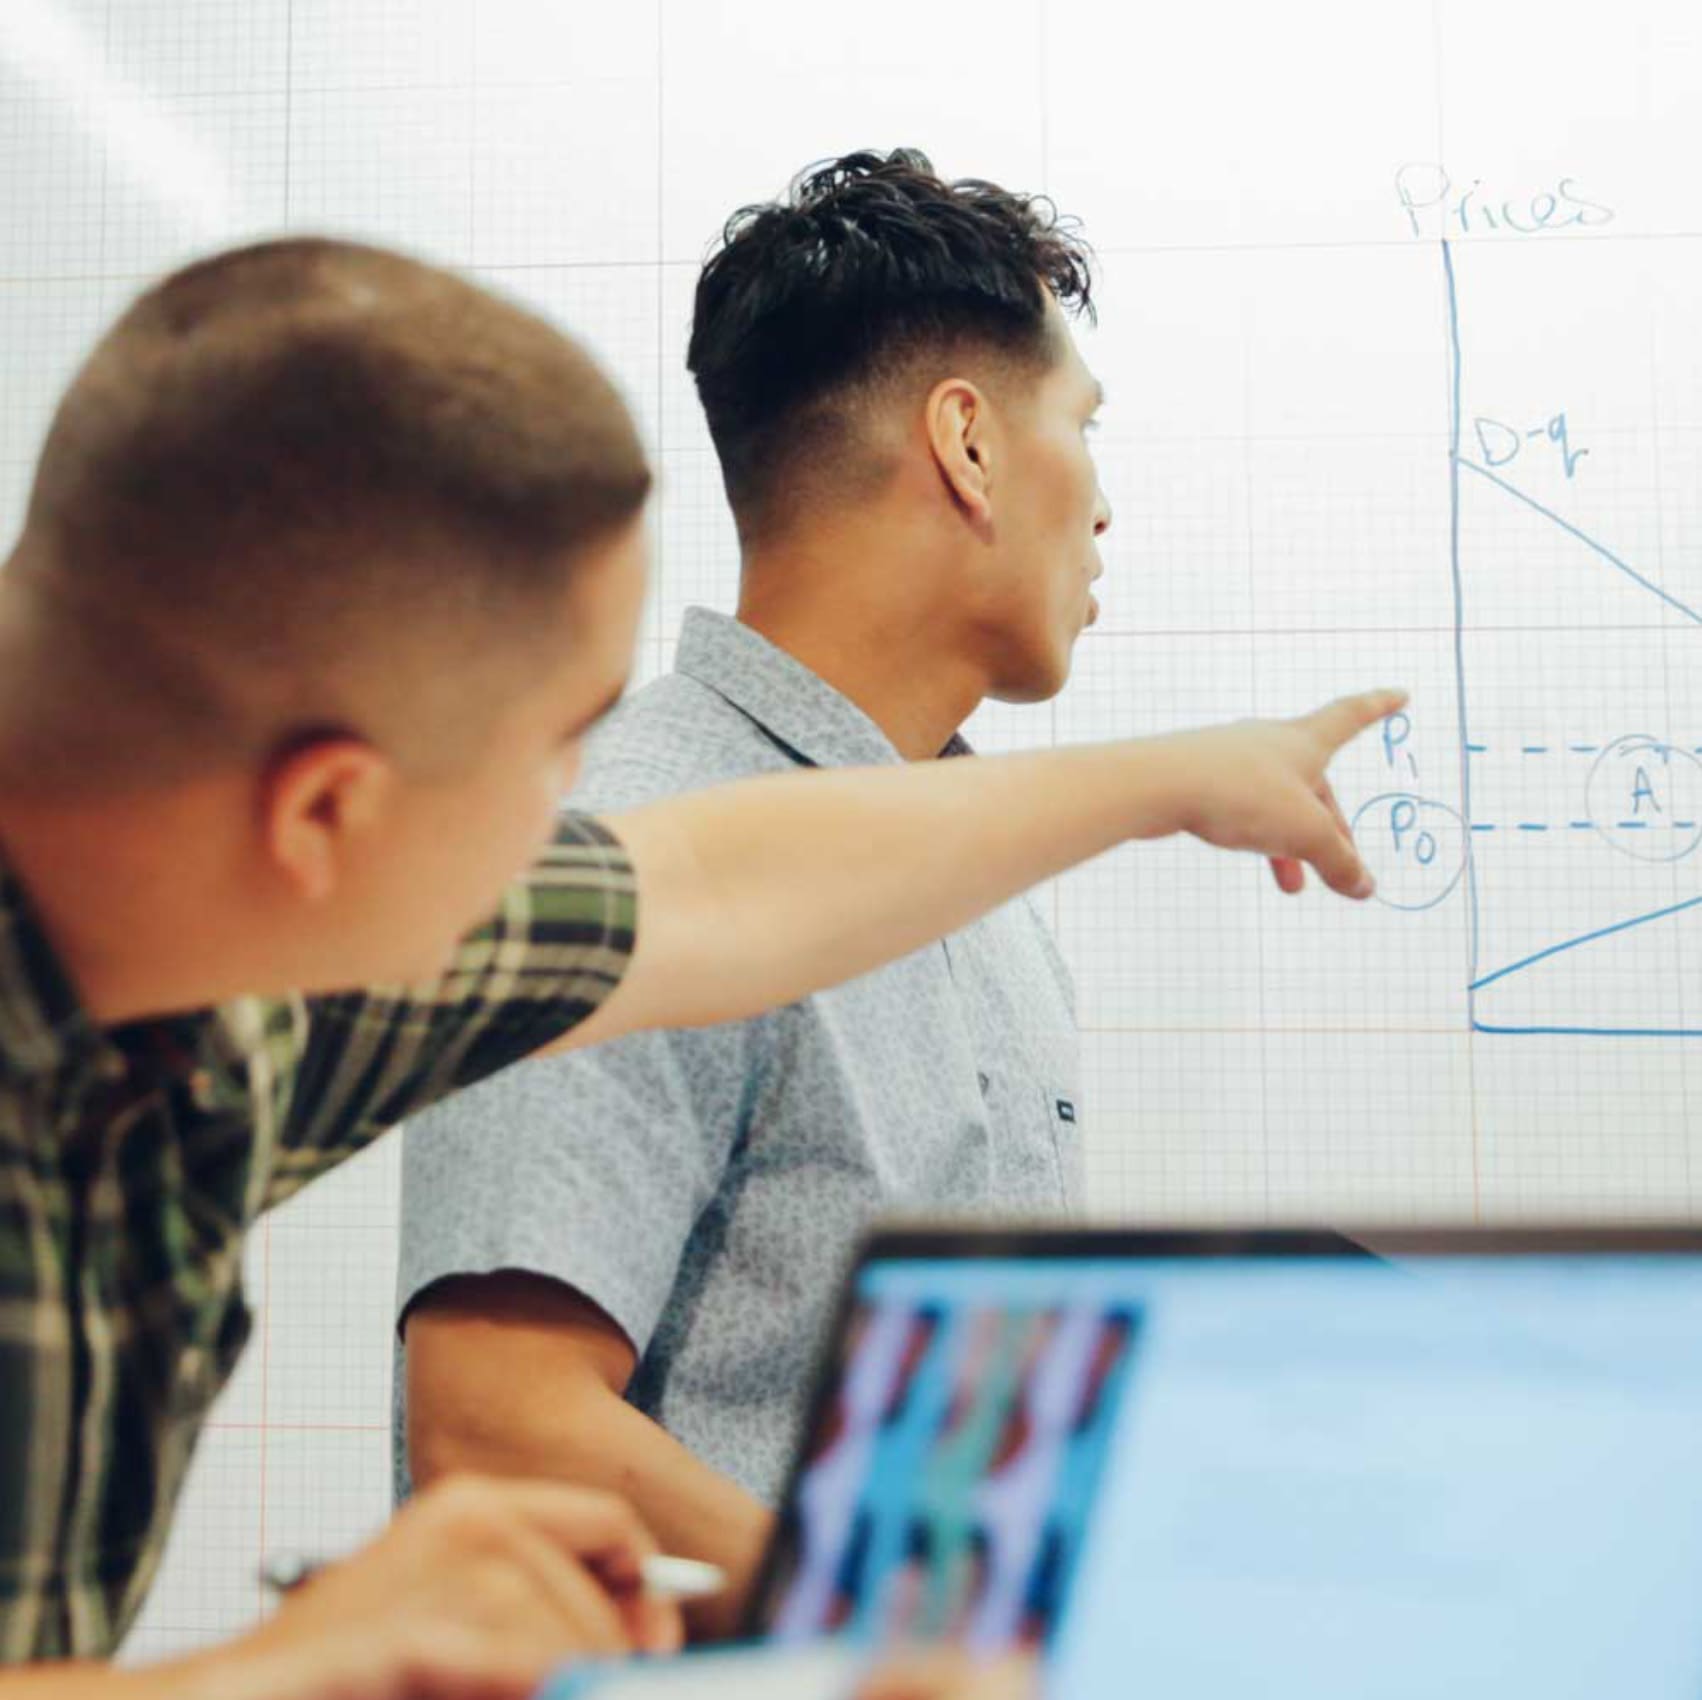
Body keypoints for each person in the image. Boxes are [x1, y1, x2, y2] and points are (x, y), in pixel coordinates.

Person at [0, 233, 1395, 1698]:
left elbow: (702, 889)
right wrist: (282, 1673)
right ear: (329, 814)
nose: (573, 822)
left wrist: (1176, 780)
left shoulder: (226, 1009)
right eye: (555, 748)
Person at [398, 151, 1120, 1637]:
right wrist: (913, 1623)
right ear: (969, 444)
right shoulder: (622, 851)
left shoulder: (969, 871)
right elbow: (497, 1424)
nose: (1102, 506)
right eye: (1086, 431)